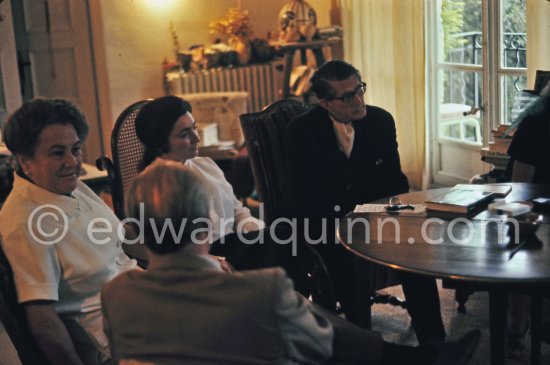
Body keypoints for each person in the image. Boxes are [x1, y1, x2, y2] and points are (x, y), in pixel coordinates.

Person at [101, 159, 481, 365]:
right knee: (315, 327)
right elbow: (322, 348)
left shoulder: (116, 294)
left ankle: (417, 359)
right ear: (204, 224)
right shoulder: (259, 291)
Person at [285, 60, 445, 344]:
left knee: (413, 252)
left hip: (376, 218)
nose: (358, 101)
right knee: (349, 262)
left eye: (360, 90)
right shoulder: (301, 132)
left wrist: (386, 217)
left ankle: (435, 345)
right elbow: (305, 196)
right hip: (324, 226)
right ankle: (363, 345)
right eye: (347, 97)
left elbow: (396, 182)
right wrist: (349, 224)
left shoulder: (381, 121)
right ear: (324, 102)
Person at [0, 98, 137, 364]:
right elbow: (43, 323)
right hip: (116, 338)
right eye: (57, 152)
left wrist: (183, 263)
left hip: (140, 304)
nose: (72, 162)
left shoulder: (71, 186)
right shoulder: (24, 222)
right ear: (25, 160)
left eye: (76, 149)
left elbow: (124, 240)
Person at [134, 95, 264, 244]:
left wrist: (256, 231)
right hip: (206, 260)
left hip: (235, 245)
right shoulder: (154, 187)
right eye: (185, 134)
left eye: (194, 128)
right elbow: (170, 248)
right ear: (160, 144)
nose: (196, 139)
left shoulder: (206, 165)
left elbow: (237, 212)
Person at [505, 81, 550, 358]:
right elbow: (520, 188)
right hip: (531, 207)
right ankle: (517, 325)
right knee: (523, 250)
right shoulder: (536, 123)